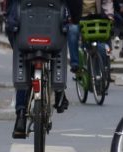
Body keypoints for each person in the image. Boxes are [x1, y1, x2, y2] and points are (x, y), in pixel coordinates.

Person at [6, 0, 82, 138]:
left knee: (22, 55)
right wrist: (75, 18)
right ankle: (59, 91)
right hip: (52, 27)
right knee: (59, 44)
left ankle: (21, 115)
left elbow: (11, 7)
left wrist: (10, 21)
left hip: (25, 26)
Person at [67, 0, 114, 74]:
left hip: (95, 18)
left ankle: (102, 70)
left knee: (101, 46)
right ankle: (75, 64)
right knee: (72, 30)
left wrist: (109, 15)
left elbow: (107, 2)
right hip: (78, 18)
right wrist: (68, 16)